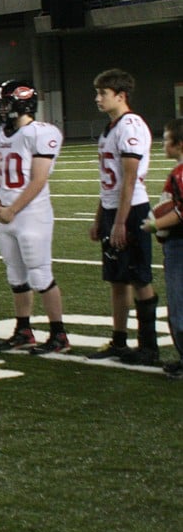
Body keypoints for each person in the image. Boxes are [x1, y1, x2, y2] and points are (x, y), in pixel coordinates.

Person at [0, 80, 70, 355]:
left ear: (23, 103)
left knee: (40, 273)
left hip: (31, 214)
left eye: (7, 102)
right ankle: (23, 330)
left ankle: (59, 334)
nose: (2, 108)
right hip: (7, 215)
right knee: (15, 275)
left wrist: (12, 209)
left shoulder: (41, 132)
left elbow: (38, 179)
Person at [86, 69, 159, 366]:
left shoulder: (130, 125)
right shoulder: (111, 127)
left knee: (139, 276)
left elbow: (129, 180)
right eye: (98, 93)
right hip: (114, 209)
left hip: (132, 209)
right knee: (117, 278)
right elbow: (110, 182)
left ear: (121, 95)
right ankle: (119, 340)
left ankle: (149, 346)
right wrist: (99, 216)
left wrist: (119, 221)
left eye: (103, 93)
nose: (98, 98)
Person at [141, 118, 183, 379]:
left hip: (179, 243)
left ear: (179, 144)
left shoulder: (180, 173)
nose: (163, 145)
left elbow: (180, 211)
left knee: (178, 306)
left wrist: (155, 225)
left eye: (167, 140)